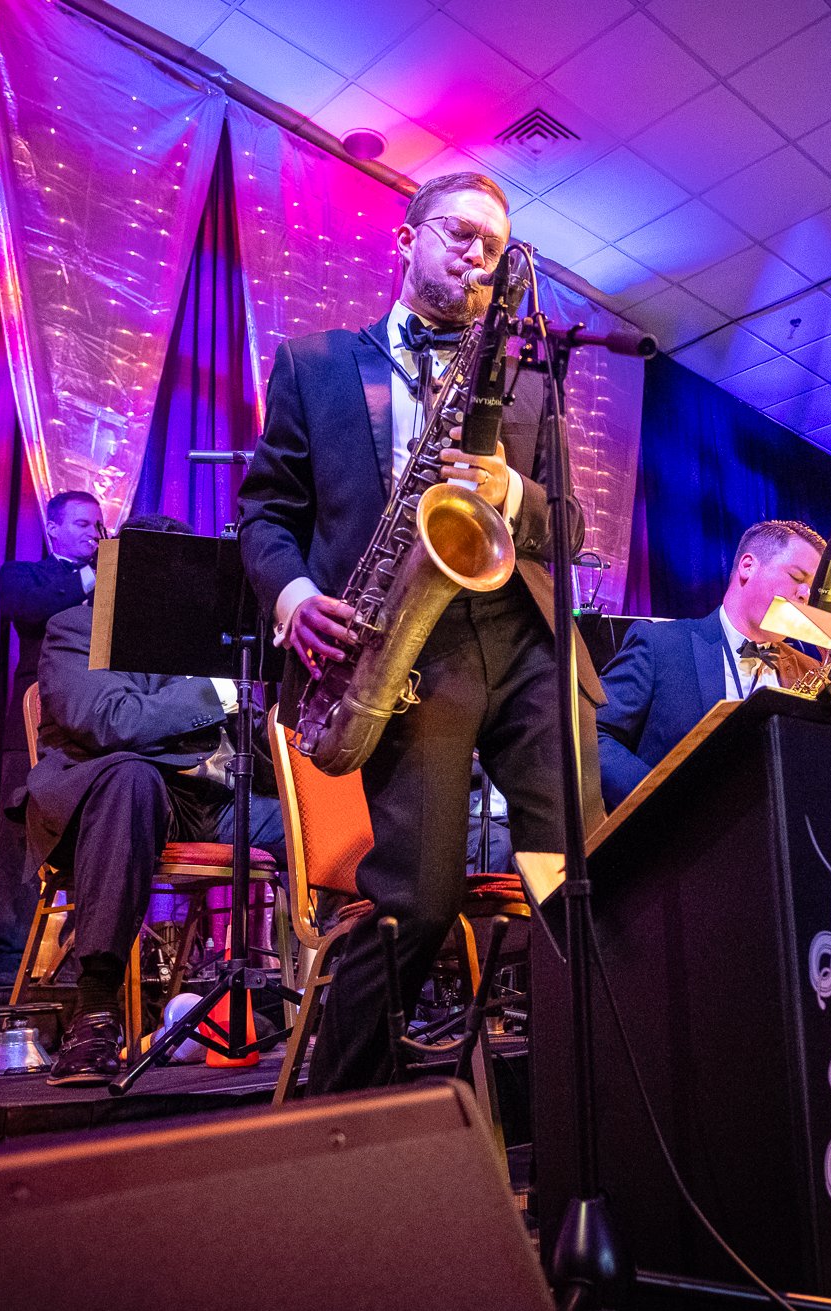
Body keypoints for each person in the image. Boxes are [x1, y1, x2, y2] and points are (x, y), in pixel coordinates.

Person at [237, 171, 602, 1096]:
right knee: (418, 901)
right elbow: (266, 514)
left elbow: (573, 530)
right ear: (406, 240)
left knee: (581, 880)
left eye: (493, 240)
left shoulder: (524, 381)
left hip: (523, 639)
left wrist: (511, 493)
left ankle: (587, 1112)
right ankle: (334, 1122)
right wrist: (292, 598)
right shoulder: (314, 361)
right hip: (406, 640)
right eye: (458, 231)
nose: (477, 250)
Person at [24, 513, 286, 1085]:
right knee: (132, 777)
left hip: (207, 801)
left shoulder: (199, 642)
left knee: (314, 818)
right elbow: (111, 721)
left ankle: (338, 993)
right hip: (109, 800)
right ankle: (95, 1011)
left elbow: (246, 748)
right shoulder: (75, 629)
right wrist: (219, 690)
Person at [595, 520, 828, 809]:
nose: (806, 594)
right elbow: (594, 735)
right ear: (747, 566)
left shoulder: (812, 670)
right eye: (796, 577)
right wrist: (660, 804)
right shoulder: (660, 644)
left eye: (811, 587)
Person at [0, 491, 103, 975]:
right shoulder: (23, 574)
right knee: (23, 830)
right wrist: (94, 576)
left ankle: (83, 947)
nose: (93, 532)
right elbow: (28, 608)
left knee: (92, 824)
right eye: (81, 524)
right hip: (36, 718)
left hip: (96, 716)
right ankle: (11, 950)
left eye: (97, 525)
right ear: (53, 529)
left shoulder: (112, 584)